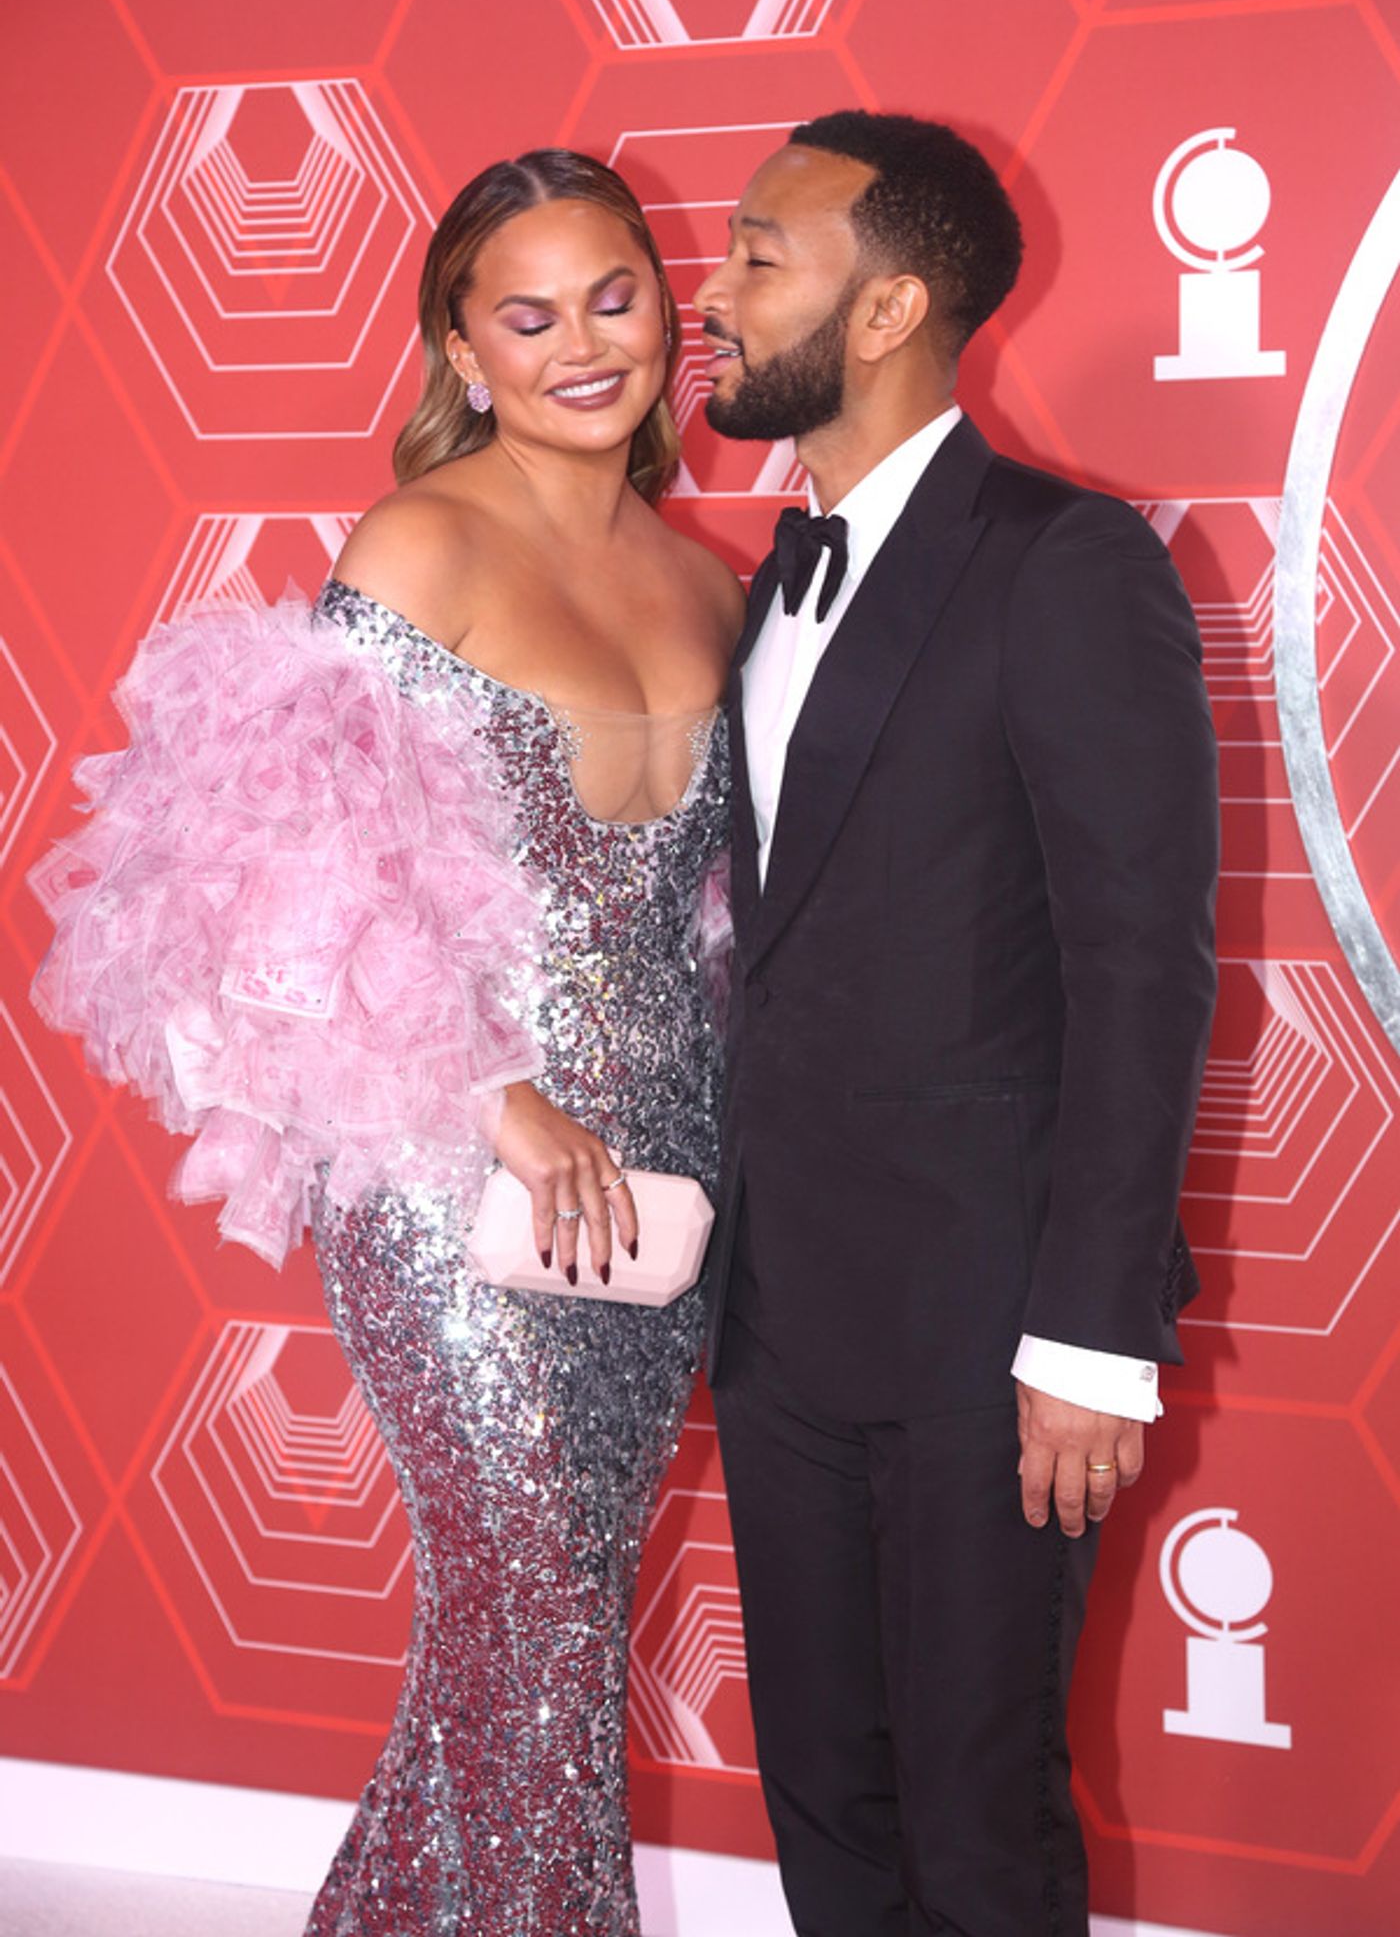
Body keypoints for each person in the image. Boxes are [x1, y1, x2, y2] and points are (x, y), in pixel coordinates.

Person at [30, 149, 743, 1937]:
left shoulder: (710, 584)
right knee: (536, 1617)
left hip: (665, 1185)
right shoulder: (421, 544)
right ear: (461, 346)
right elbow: (283, 873)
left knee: (537, 1621)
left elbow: (722, 930)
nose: (585, 344)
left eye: (616, 296)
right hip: (462, 1175)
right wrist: (500, 1100)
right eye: (528, 314)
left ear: (667, 309)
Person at [694, 111, 1219, 1937]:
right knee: (824, 1800)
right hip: (781, 1315)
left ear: (894, 303)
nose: (716, 288)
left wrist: (1090, 1338)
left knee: (981, 1825)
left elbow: (1145, 965)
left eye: (761, 255)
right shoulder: (774, 576)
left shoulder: (1064, 564)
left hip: (988, 1333)